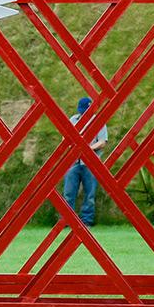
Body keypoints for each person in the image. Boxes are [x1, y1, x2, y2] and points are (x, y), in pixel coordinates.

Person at [61, 96, 107, 227]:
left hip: (91, 162)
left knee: (90, 194)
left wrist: (86, 149)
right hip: (73, 162)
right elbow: (65, 137)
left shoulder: (98, 122)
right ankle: (67, 220)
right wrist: (75, 148)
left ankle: (86, 221)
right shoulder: (73, 120)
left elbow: (102, 142)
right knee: (69, 192)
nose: (82, 113)